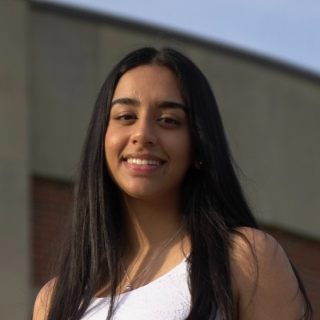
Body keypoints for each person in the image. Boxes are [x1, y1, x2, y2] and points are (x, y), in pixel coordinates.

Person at [32, 47, 312, 320]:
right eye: (125, 117)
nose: (142, 135)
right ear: (101, 139)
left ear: (199, 148)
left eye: (168, 120)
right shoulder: (55, 300)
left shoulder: (243, 258)